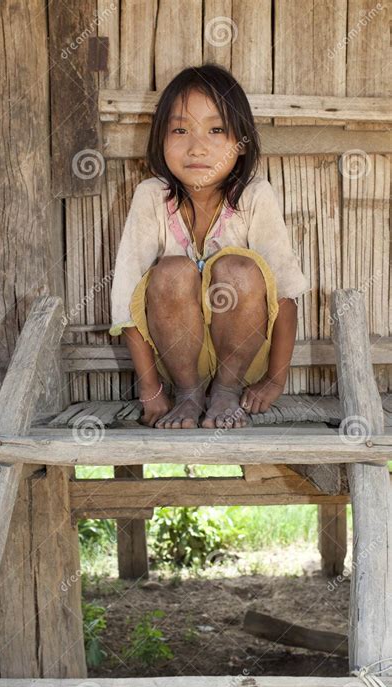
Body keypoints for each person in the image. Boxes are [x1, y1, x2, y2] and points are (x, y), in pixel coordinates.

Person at [109, 64, 310, 429]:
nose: (197, 146)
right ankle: (189, 394)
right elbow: (125, 300)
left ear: (241, 141)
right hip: (177, 359)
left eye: (216, 130)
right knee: (170, 271)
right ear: (161, 138)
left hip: (244, 356)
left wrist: (275, 380)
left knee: (238, 268)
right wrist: (152, 391)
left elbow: (285, 295)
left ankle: (225, 391)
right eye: (181, 129)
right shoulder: (150, 197)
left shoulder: (254, 197)